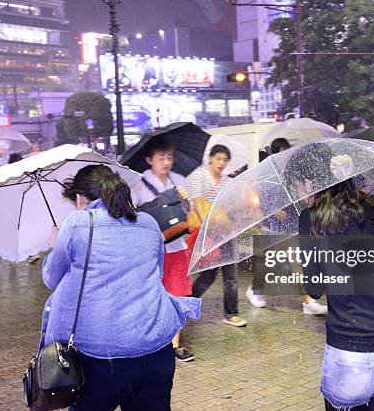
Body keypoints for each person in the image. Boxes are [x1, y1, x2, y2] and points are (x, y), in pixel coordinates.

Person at [42, 165, 200, 411]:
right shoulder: (148, 223)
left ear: (80, 198)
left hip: (102, 357)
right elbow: (156, 272)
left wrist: (54, 245)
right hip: (156, 350)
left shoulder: (76, 222)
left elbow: (51, 278)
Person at [292, 145, 374, 411]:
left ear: (311, 182)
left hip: (351, 353)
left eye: (299, 187)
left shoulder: (311, 220)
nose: (300, 195)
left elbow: (313, 289)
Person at [246, 138, 328, 315]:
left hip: (290, 226)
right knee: (266, 264)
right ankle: (254, 290)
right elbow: (260, 197)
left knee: (298, 263)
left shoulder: (291, 170)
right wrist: (272, 210)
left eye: (286, 151)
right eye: (281, 151)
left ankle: (308, 302)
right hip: (271, 227)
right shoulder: (266, 174)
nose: (284, 155)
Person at [131, 138, 195, 362]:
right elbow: (131, 215)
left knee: (178, 294)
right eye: (161, 158)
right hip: (151, 251)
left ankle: (176, 344)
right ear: (149, 160)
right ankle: (155, 341)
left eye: (169, 157)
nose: (166, 162)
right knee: (154, 296)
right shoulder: (138, 184)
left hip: (177, 246)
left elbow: (188, 212)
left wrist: (187, 202)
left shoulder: (178, 180)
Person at [189, 144, 247, 327]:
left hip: (225, 233)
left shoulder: (227, 182)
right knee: (208, 276)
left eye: (225, 160)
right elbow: (197, 203)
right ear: (210, 159)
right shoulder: (200, 175)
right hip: (208, 233)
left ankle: (231, 313)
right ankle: (187, 303)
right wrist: (207, 228)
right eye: (218, 158)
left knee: (231, 276)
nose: (221, 163)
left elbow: (230, 208)